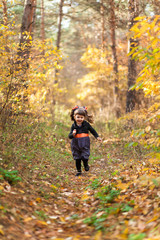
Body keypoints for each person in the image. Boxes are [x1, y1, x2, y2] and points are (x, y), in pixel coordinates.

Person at [68, 106, 102, 176]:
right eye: (78, 117)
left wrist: (97, 137)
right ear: (74, 117)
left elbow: (92, 130)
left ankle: (86, 164)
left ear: (84, 117)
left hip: (85, 143)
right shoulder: (73, 126)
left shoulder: (86, 124)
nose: (79, 119)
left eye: (81, 117)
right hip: (75, 144)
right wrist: (73, 134)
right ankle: (79, 171)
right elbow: (70, 136)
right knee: (77, 158)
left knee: (85, 156)